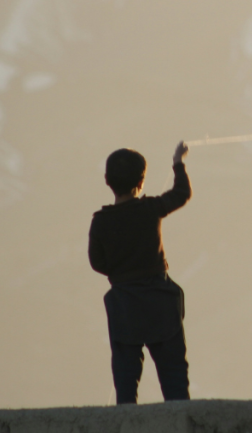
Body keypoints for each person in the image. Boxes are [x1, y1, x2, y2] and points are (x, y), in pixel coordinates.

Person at [88, 141, 192, 404]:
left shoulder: (100, 221)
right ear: (141, 181)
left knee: (125, 382)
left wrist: (122, 271)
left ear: (107, 180)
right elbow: (181, 193)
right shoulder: (150, 209)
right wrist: (178, 162)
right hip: (161, 303)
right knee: (175, 381)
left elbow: (97, 262)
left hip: (124, 307)